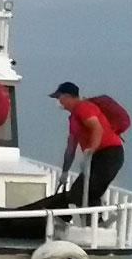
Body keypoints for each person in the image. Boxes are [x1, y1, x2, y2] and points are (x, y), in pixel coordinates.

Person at [52, 82, 126, 211]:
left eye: (59, 97)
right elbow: (71, 148)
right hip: (98, 157)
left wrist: (91, 150)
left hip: (109, 154)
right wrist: (65, 171)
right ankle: (92, 220)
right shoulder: (73, 118)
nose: (58, 101)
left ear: (68, 96)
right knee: (84, 191)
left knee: (83, 192)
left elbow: (97, 128)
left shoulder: (84, 108)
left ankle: (91, 223)